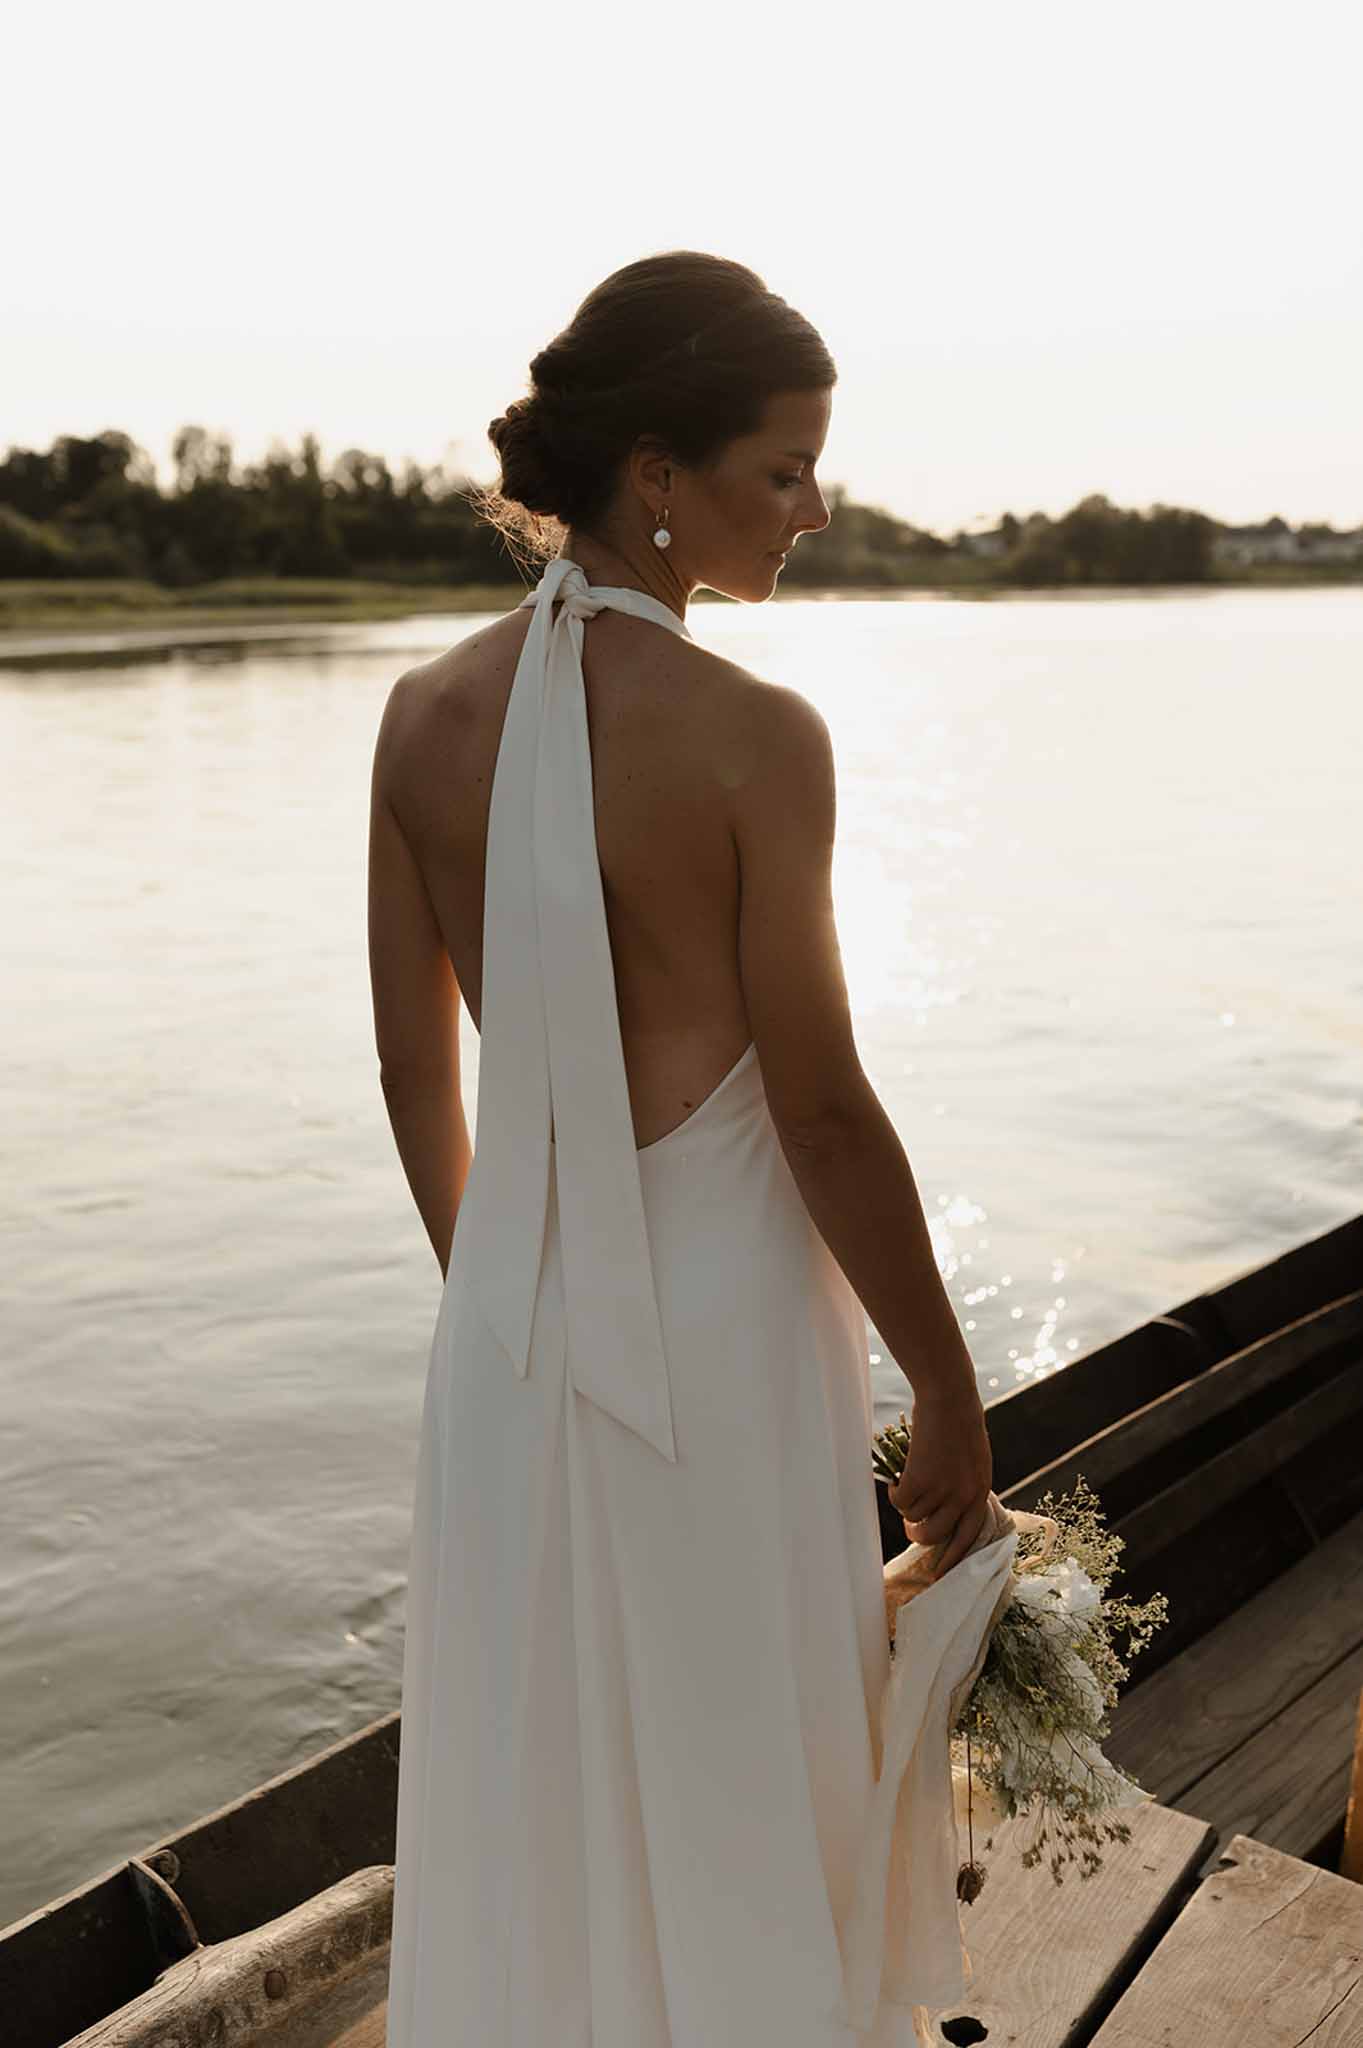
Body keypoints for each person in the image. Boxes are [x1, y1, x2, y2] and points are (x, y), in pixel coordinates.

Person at [368, 249, 993, 2046]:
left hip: (510, 1335)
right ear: (658, 475)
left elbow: (423, 1084)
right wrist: (945, 1393)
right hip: (717, 1339)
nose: (814, 504)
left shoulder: (417, 721)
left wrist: (512, 1307)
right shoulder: (757, 743)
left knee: (540, 1761)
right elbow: (819, 1110)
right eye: (784, 466)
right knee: (747, 1752)